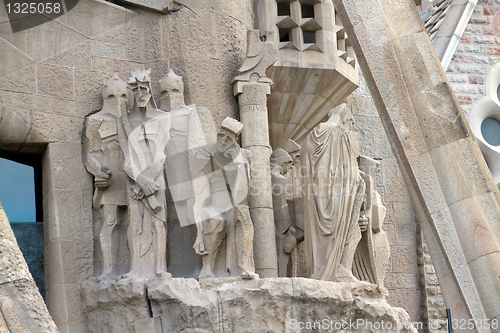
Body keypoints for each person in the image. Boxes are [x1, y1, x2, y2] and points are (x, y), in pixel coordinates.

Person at [301, 104, 365, 281]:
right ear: (346, 119)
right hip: (338, 196)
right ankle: (335, 271)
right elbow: (351, 173)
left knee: (317, 233)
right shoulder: (344, 135)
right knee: (340, 230)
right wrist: (362, 182)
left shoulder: (309, 138)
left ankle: (319, 270)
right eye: (350, 124)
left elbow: (305, 173)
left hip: (314, 198)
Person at [120, 69, 171, 278]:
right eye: (135, 89)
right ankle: (135, 269)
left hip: (156, 178)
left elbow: (160, 155)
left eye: (143, 88)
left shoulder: (162, 118)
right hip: (135, 181)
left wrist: (148, 182)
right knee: (135, 223)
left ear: (150, 89)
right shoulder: (123, 120)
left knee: (158, 223)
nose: (139, 94)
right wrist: (141, 182)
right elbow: (127, 159)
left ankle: (160, 267)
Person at [191, 117, 258, 279]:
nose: (223, 141)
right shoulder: (204, 153)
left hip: (233, 205)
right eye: (221, 136)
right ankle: (207, 268)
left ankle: (245, 266)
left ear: (235, 141)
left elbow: (242, 197)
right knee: (215, 220)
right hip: (211, 203)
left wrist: (239, 163)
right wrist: (199, 232)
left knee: (244, 217)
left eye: (228, 139)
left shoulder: (242, 155)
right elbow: (198, 192)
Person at [83, 74, 129, 280]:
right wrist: (99, 170)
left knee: (131, 222)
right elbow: (91, 153)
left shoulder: (131, 121)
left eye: (122, 96)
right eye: (111, 96)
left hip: (129, 176)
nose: (117, 100)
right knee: (109, 222)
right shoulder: (95, 121)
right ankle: (108, 269)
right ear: (104, 97)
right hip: (110, 177)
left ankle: (131, 268)